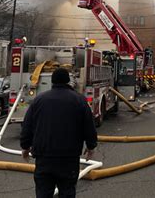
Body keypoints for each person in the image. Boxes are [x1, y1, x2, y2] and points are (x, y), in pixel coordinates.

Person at [20, 68, 97, 198]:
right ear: (68, 81)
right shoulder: (79, 100)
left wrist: (25, 147)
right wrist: (91, 146)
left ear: (52, 81)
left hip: (44, 157)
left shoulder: (39, 100)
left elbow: (27, 126)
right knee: (67, 191)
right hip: (69, 158)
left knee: (43, 193)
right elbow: (89, 126)